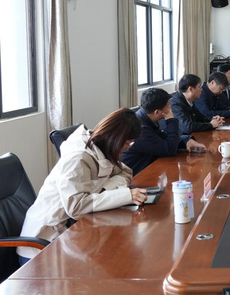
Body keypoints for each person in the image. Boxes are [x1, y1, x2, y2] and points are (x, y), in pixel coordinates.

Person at [18, 108, 148, 263]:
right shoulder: (77, 157)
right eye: (127, 142)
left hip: (72, 233)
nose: (128, 147)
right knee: (111, 259)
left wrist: (104, 190)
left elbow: (125, 172)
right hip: (44, 243)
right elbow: (75, 206)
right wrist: (124, 195)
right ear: (115, 138)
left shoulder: (101, 149)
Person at [122, 88, 207, 175]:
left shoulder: (146, 118)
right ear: (157, 112)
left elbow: (164, 139)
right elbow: (170, 149)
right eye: (168, 106)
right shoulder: (140, 129)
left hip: (150, 169)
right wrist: (171, 120)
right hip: (136, 176)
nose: (170, 109)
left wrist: (187, 140)